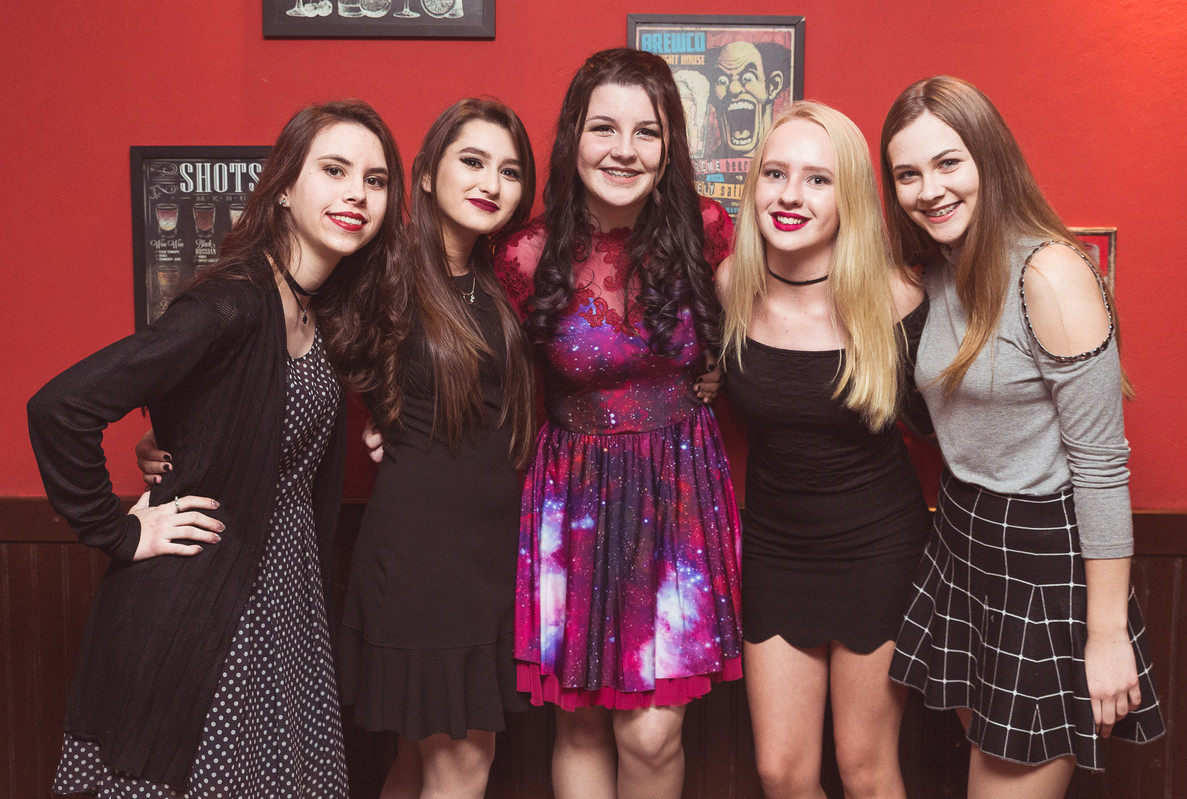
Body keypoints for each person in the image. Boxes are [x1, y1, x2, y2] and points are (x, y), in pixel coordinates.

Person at [29, 99, 405, 797]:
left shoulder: (315, 305)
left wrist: (186, 428)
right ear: (286, 187)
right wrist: (120, 530)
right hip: (204, 614)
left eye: (375, 179)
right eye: (334, 169)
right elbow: (60, 407)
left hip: (283, 609)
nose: (356, 192)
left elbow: (256, 418)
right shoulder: (235, 301)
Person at [880, 76, 1165, 796]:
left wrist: (1102, 636)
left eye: (949, 163)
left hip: (1042, 553)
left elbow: (1101, 467)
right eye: (908, 173)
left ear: (990, 157)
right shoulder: (938, 270)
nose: (928, 189)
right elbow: (941, 414)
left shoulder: (1053, 273)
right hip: (965, 535)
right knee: (982, 755)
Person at [494, 48, 741, 799]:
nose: (625, 150)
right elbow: (465, 359)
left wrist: (721, 371)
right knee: (580, 723)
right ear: (573, 135)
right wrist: (385, 416)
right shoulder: (526, 254)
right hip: (574, 498)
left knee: (654, 730)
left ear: (671, 148)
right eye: (604, 127)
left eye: (647, 132)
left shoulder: (710, 231)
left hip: (679, 495)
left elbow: (768, 326)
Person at [718, 100, 929, 799]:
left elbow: (969, 416)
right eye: (775, 173)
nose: (789, 194)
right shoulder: (729, 288)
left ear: (851, 196)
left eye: (817, 179)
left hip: (878, 546)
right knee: (781, 772)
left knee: (865, 770)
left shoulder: (897, 296)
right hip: (776, 543)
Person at [339, 98, 537, 799]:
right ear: (424, 174)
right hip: (425, 558)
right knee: (459, 770)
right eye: (473, 161)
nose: (492, 182)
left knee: (419, 765)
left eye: (510, 170)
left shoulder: (497, 284)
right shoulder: (382, 269)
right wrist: (169, 430)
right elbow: (273, 343)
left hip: (487, 555)